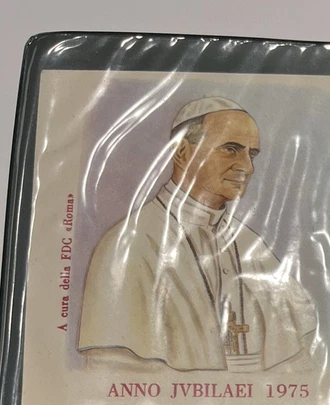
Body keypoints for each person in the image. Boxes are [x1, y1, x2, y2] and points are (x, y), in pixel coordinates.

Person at [78, 97, 316, 374]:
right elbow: (112, 376)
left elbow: (301, 360)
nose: (247, 167)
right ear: (182, 152)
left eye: (251, 154)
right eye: (231, 149)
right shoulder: (129, 245)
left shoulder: (252, 245)